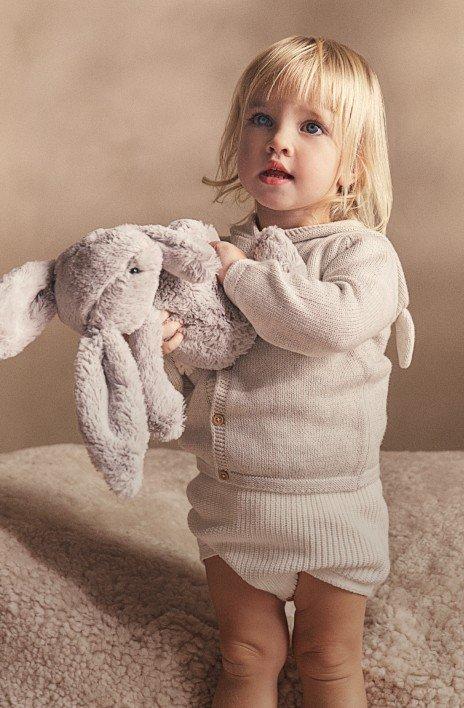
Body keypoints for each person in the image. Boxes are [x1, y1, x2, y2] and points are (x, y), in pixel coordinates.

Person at [160, 35, 415, 707]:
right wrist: (171, 345)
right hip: (233, 506)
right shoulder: (217, 254)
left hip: (331, 507)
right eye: (261, 118)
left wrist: (240, 275)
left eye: (311, 127)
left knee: (328, 658)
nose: (279, 141)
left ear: (353, 169)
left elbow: (322, 324)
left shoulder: (363, 256)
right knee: (246, 656)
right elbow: (209, 371)